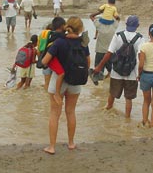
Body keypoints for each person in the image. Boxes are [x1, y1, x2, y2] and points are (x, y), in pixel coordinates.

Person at [42, 16, 90, 155]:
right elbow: (88, 62)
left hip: (59, 78)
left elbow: (45, 61)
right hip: (75, 80)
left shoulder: (59, 42)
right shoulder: (83, 43)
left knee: (54, 113)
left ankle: (51, 146)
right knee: (71, 112)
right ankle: (71, 143)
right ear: (81, 29)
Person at [93, 15, 144, 118]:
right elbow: (141, 58)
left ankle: (108, 110)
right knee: (128, 99)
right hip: (131, 74)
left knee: (112, 94)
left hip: (116, 72)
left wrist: (99, 66)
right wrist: (140, 74)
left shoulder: (118, 35)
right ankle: (127, 119)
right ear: (137, 25)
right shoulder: (140, 38)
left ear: (126, 24)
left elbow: (109, 53)